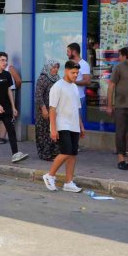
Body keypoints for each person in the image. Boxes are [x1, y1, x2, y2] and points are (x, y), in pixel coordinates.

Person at [42, 60, 85, 193]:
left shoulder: (74, 87)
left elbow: (76, 108)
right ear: (66, 71)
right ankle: (50, 175)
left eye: (77, 73)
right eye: (73, 72)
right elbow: (52, 109)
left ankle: (68, 182)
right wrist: (53, 129)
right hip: (62, 124)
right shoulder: (57, 86)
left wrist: (81, 126)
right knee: (66, 151)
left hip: (74, 125)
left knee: (73, 154)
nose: (75, 75)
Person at [0, 52, 29, 163]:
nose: (5, 62)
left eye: (6, 60)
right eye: (2, 60)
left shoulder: (7, 75)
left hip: (7, 108)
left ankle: (15, 154)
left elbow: (9, 91)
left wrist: (13, 107)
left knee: (11, 131)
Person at [34, 60, 61, 161]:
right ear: (48, 68)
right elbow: (38, 95)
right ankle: (46, 154)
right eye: (53, 67)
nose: (55, 70)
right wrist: (44, 109)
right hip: (44, 111)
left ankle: (55, 152)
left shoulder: (57, 78)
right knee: (44, 132)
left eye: (57, 67)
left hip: (54, 110)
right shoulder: (43, 78)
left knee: (54, 131)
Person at [0, 61, 22, 144]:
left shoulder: (10, 68)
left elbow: (18, 80)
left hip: (10, 91)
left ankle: (2, 137)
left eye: (3, 59)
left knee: (8, 113)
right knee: (1, 112)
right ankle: (0, 136)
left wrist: (14, 88)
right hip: (1, 92)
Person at [66, 43, 91, 108]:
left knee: (76, 117)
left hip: (77, 97)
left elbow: (87, 81)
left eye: (68, 51)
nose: (67, 54)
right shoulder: (70, 63)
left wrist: (73, 82)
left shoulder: (84, 64)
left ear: (74, 52)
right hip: (69, 96)